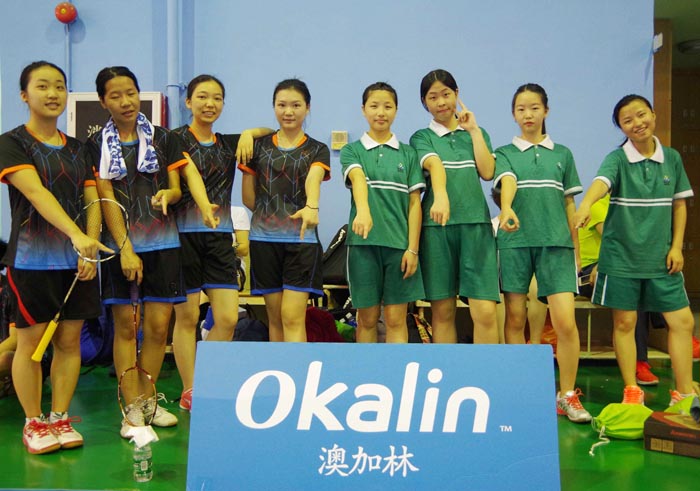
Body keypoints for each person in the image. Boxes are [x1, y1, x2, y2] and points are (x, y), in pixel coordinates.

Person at [86, 66, 215, 437]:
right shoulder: (95, 145)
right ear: (103, 101)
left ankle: (147, 401)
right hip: (121, 248)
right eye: (115, 96)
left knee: (158, 330)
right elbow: (105, 198)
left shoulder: (162, 138)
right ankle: (131, 410)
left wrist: (170, 195)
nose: (126, 101)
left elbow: (175, 186)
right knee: (127, 329)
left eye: (131, 93)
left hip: (164, 244)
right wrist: (125, 249)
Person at [0, 61, 111, 453]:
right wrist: (76, 235)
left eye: (59, 86)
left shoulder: (79, 148)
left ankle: (60, 417)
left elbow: (92, 200)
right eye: (43, 86)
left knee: (68, 341)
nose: (52, 94)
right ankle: (33, 422)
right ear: (24, 95)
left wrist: (89, 246)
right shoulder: (12, 142)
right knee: (30, 345)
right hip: (32, 259)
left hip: (76, 262)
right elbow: (36, 193)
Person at [574, 94, 697, 406]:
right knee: (625, 324)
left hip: (662, 260)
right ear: (621, 128)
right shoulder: (617, 159)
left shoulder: (672, 158)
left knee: (683, 322)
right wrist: (586, 204)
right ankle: (632, 390)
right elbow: (601, 182)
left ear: (653, 115)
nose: (637, 123)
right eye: (627, 120)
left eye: (641, 115)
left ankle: (684, 394)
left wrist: (676, 247)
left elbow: (679, 205)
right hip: (621, 260)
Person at [171, 74, 272, 411]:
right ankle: (190, 390)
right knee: (186, 318)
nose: (209, 103)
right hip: (181, 238)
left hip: (219, 240)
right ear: (188, 102)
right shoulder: (173, 140)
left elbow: (270, 132)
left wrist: (248, 132)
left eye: (216, 98)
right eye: (202, 97)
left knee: (227, 318)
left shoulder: (229, 144)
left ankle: (206, 380)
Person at [495, 83, 591, 423]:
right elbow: (507, 183)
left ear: (546, 111)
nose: (528, 114)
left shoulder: (562, 154)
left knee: (565, 321)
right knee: (515, 318)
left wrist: (576, 250)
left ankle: (567, 395)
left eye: (534, 108)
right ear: (513, 114)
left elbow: (569, 203)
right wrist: (506, 207)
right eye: (521, 109)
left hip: (557, 245)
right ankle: (520, 389)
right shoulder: (504, 153)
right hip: (515, 243)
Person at [409, 69, 499, 344]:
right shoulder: (421, 137)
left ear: (457, 94)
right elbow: (432, 164)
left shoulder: (477, 133)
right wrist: (441, 196)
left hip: (476, 227)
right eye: (432, 97)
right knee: (443, 312)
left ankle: (485, 369)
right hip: (437, 230)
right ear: (424, 102)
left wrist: (474, 131)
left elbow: (488, 172)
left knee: (485, 312)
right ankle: (445, 370)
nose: (441, 102)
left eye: (446, 94)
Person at [239, 79, 330, 342]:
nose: (288, 111)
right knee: (275, 317)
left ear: (307, 108)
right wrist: (249, 132)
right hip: (263, 241)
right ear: (274, 107)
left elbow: (314, 178)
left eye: (296, 105)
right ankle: (280, 368)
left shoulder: (317, 149)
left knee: (292, 316)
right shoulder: (257, 146)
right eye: (282, 105)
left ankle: (297, 368)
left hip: (301, 242)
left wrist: (311, 206)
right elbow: (248, 198)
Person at [340, 82, 425, 343]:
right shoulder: (352, 150)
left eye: (387, 106)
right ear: (363, 109)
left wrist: (412, 249)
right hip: (363, 248)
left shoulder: (408, 154)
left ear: (396, 110)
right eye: (374, 106)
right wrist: (363, 210)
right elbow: (357, 178)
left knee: (396, 320)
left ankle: (397, 370)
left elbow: (415, 204)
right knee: (366, 319)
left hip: (399, 248)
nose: (381, 112)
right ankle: (366, 369)